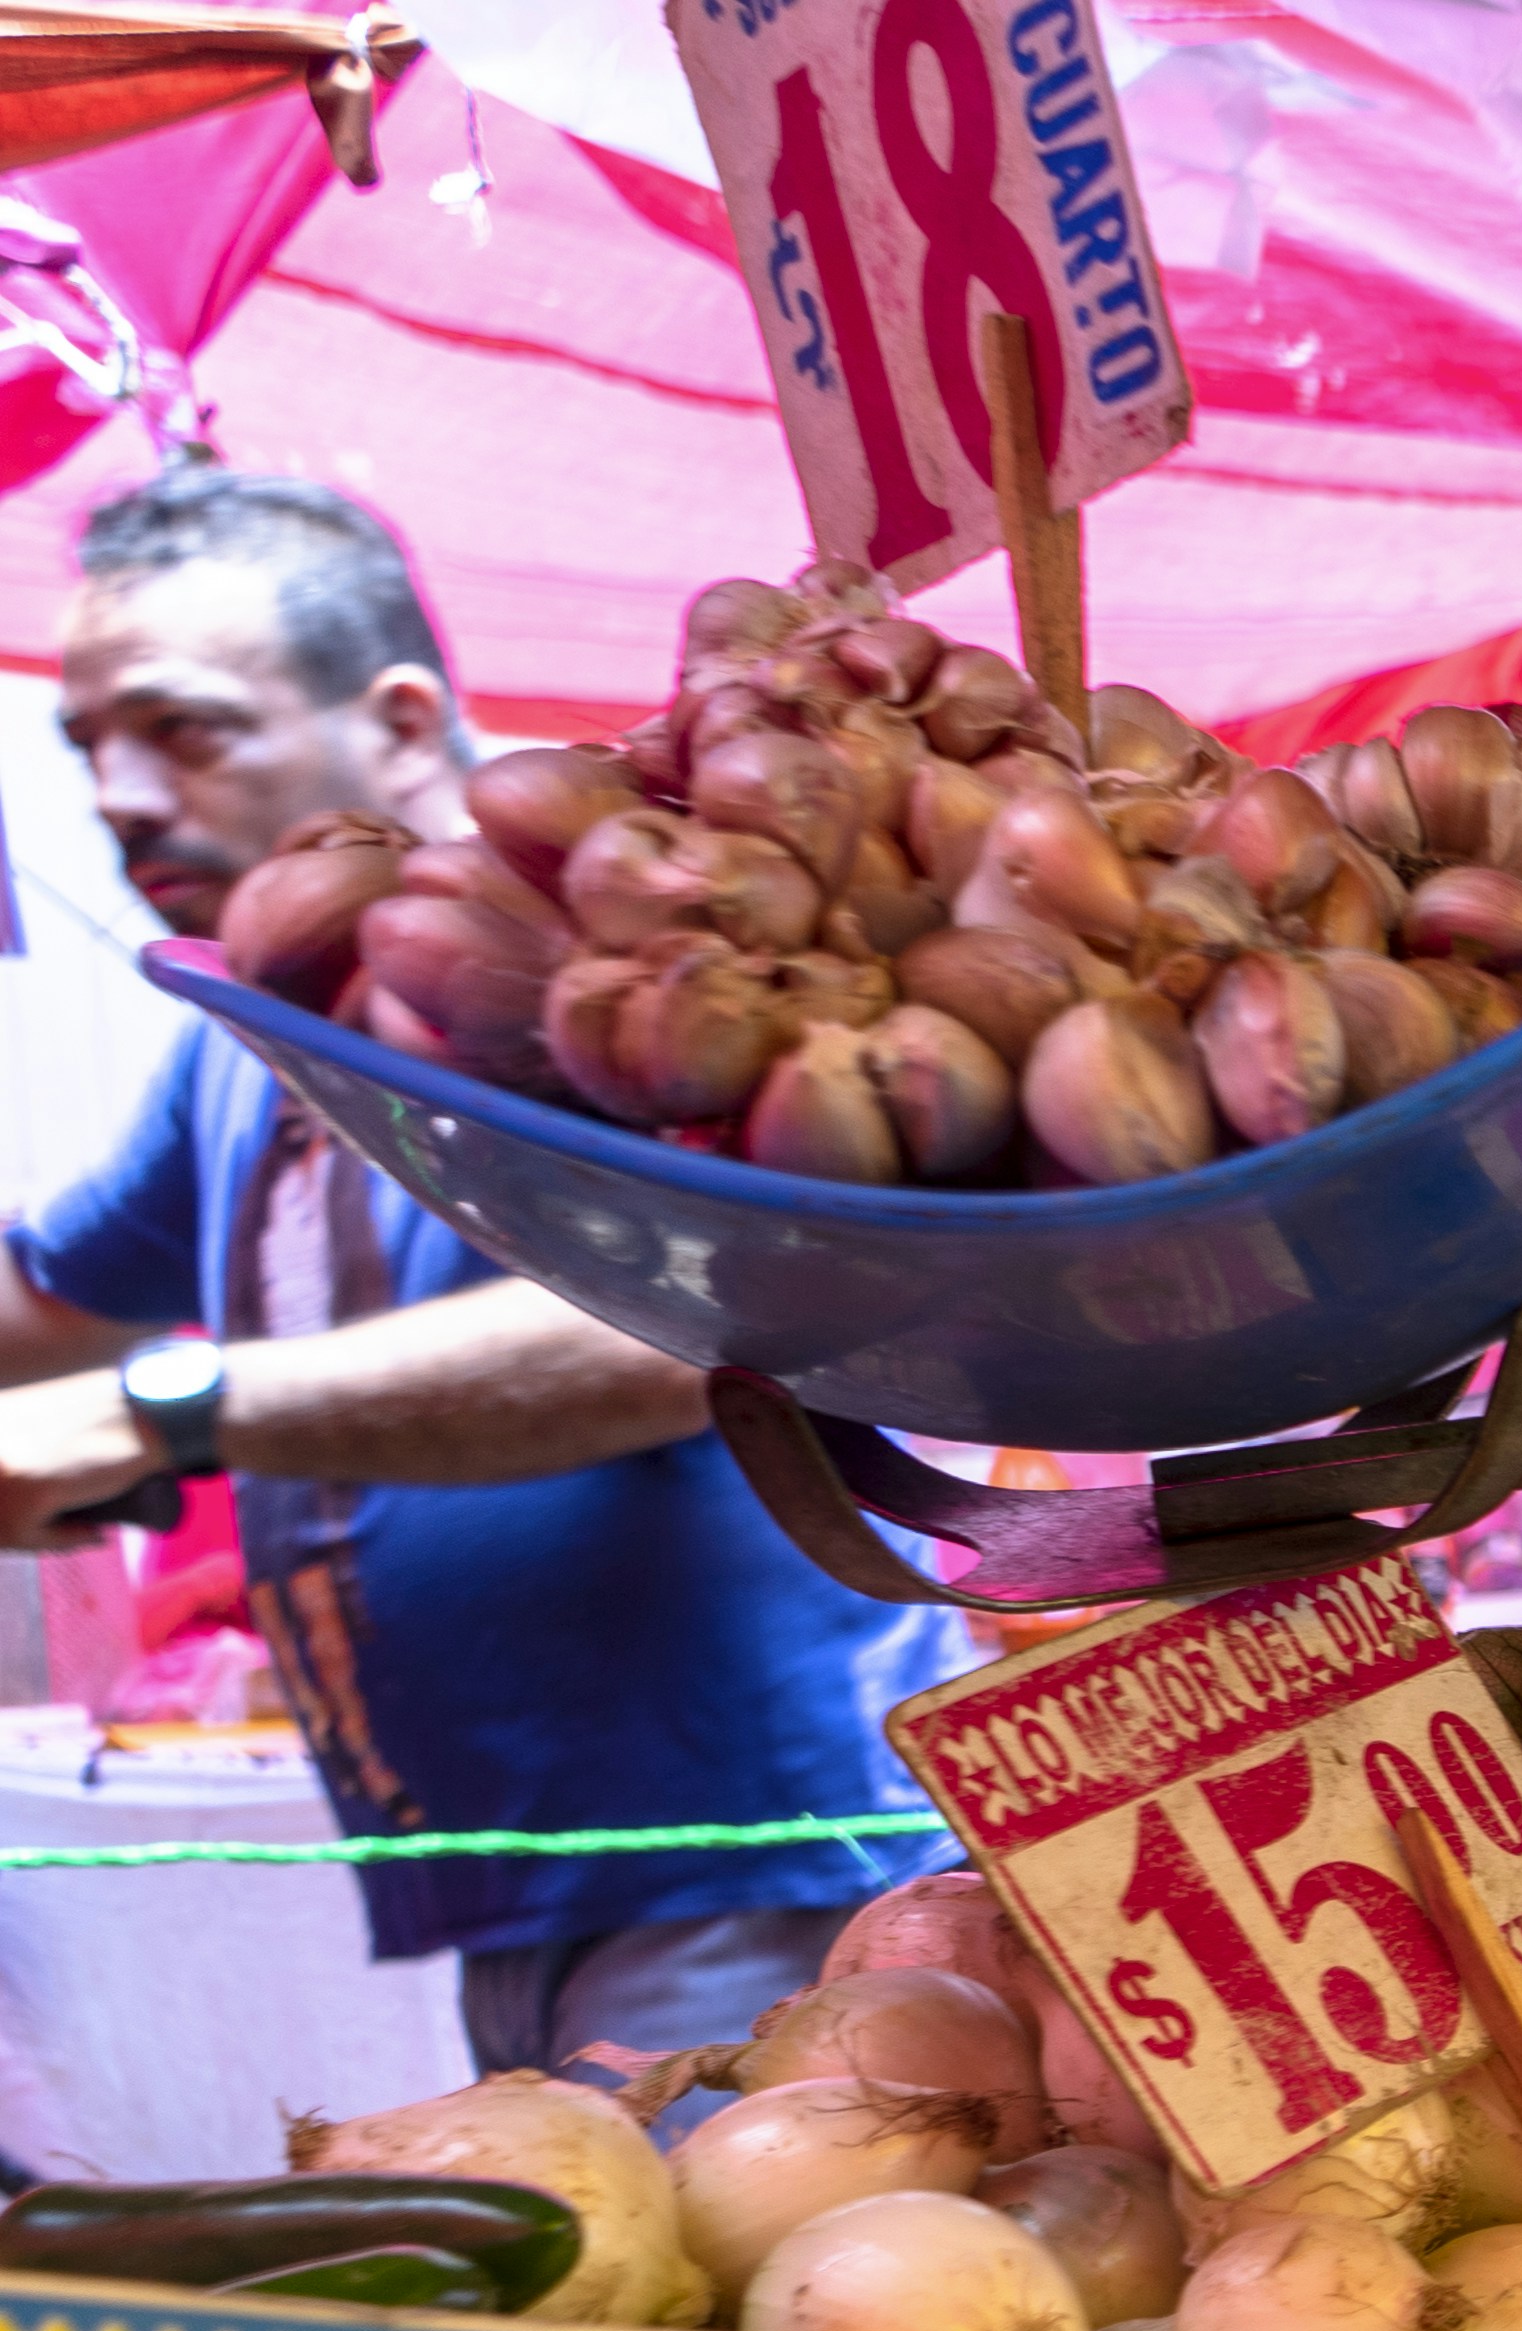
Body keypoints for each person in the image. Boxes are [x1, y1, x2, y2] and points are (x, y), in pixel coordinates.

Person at [0, 470, 956, 2068]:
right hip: (509, 1886)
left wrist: (154, 1418)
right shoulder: (245, 1046)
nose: (120, 792)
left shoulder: (615, 967)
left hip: (766, 1859)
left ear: (395, 722)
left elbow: (708, 1323)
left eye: (181, 729)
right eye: (86, 743)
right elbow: (40, 1320)